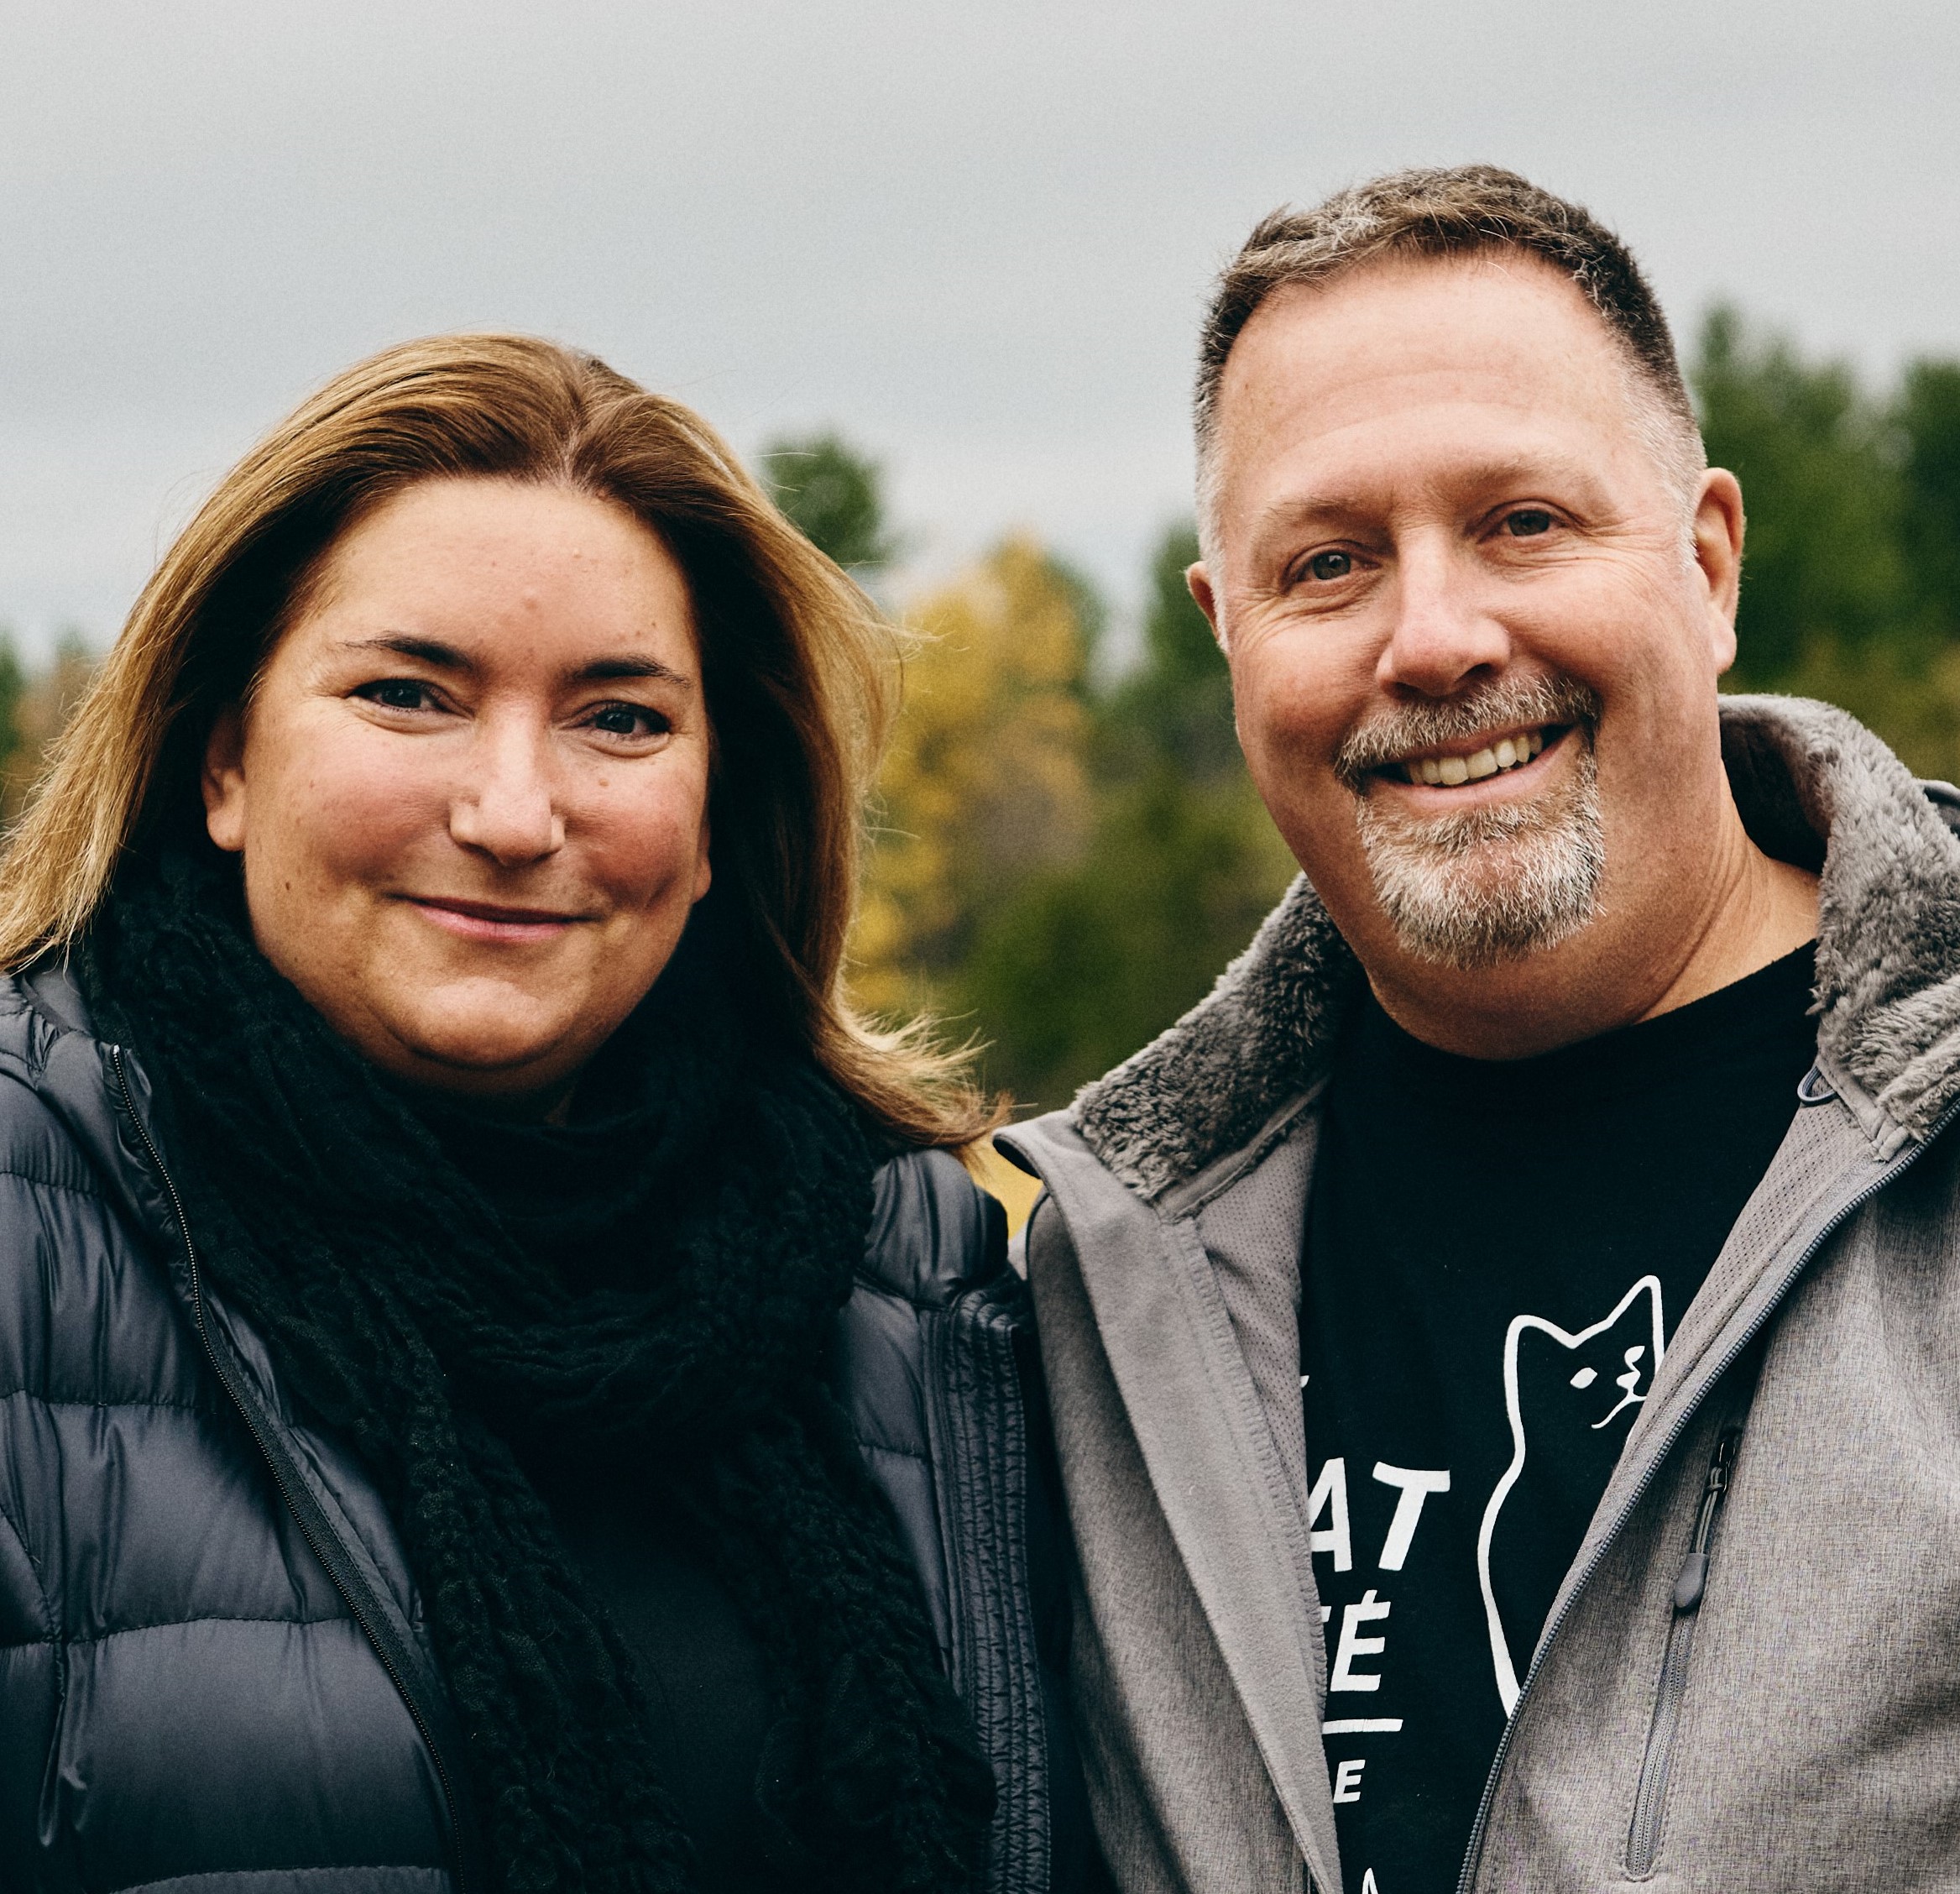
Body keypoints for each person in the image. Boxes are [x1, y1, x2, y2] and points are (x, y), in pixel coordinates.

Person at [0, 335, 1101, 1894]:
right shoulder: (29, 1228)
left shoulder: (924, 1284)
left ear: (721, 814)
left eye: (622, 720)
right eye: (408, 695)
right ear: (224, 759)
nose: (514, 815)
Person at [1004, 165, 1960, 1893]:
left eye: (1523, 521)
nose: (1432, 640)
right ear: (1228, 635)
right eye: (1328, 563)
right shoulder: (1080, 1303)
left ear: (1707, 558)